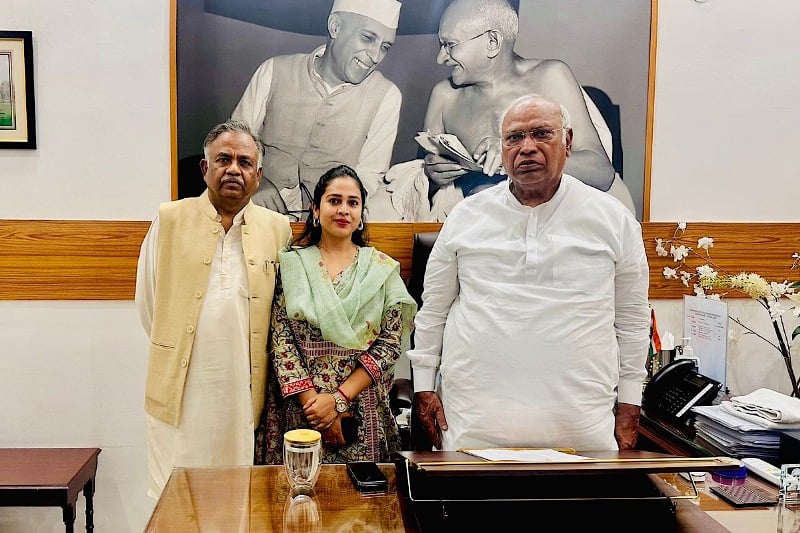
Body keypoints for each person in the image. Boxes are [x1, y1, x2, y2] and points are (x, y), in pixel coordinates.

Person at [407, 94, 650, 452]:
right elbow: (434, 311)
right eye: (515, 137)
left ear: (567, 142)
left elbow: (632, 320)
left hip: (581, 427)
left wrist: (630, 403)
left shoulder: (613, 220)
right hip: (474, 425)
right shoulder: (465, 217)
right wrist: (423, 387)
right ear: (502, 149)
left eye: (541, 134)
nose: (527, 148)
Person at [135, 119, 292, 497]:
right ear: (206, 168)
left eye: (244, 161)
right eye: (224, 159)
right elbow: (148, 302)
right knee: (175, 494)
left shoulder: (278, 228)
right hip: (181, 387)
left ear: (258, 175)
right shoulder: (170, 219)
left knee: (235, 494)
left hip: (242, 390)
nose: (234, 169)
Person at [389, 0, 634, 221]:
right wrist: (433, 175)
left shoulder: (549, 77)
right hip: (481, 234)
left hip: (556, 227)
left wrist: (519, 153)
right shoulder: (444, 95)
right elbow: (424, 189)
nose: (441, 58)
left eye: (450, 45)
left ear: (492, 42)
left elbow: (601, 172)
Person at [256, 165, 417, 464]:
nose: (343, 209)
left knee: (364, 505)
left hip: (363, 408)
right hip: (302, 411)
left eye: (352, 203)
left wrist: (339, 401)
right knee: (299, 499)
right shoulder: (292, 266)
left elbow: (390, 345)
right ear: (316, 209)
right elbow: (281, 342)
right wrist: (317, 410)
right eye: (334, 201)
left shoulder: (382, 270)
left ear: (360, 215)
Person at [231, 0, 402, 220]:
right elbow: (233, 144)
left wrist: (335, 209)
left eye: (385, 47)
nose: (376, 56)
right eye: (368, 38)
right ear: (335, 27)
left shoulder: (387, 95)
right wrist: (256, 181)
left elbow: (369, 174)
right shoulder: (274, 70)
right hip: (254, 209)